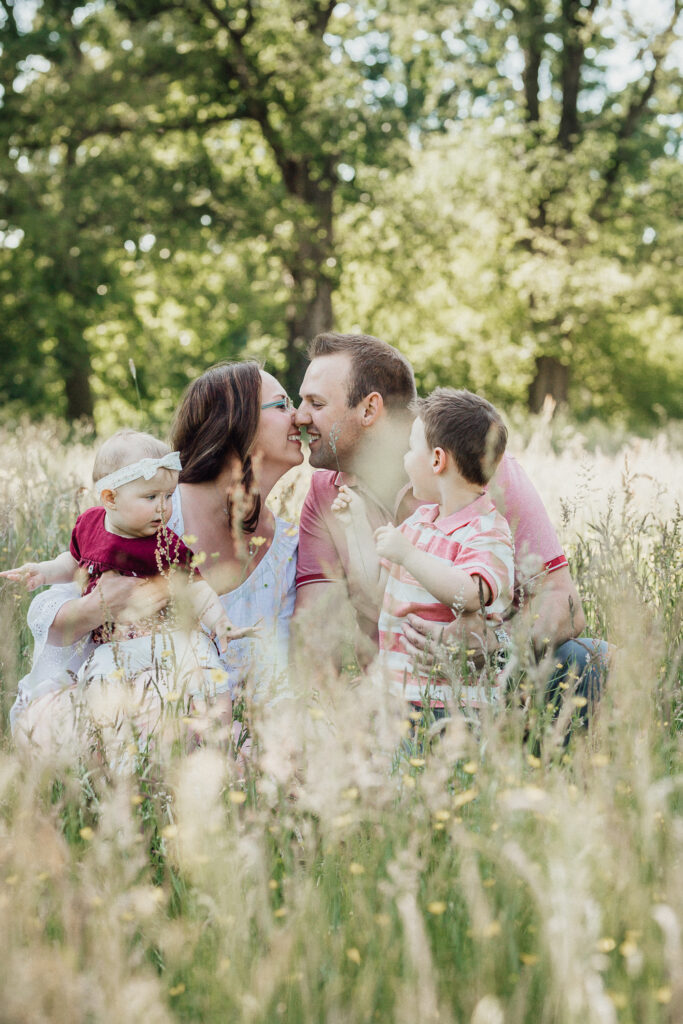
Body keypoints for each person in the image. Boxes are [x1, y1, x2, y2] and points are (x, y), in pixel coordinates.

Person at [294, 332, 608, 711]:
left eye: (315, 403)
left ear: (369, 409)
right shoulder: (327, 495)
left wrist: (496, 644)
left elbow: (563, 600)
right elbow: (315, 629)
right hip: (396, 698)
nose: (299, 416)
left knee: (592, 659)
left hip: (499, 687)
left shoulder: (484, 470)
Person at [9, 362, 303, 750]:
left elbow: (275, 673)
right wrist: (103, 605)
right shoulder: (151, 508)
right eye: (282, 405)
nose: (299, 415)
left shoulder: (283, 549)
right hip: (116, 701)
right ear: (235, 424)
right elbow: (56, 620)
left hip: (216, 721)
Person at [2, 430, 257, 708]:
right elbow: (75, 561)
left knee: (207, 677)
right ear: (110, 498)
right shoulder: (90, 525)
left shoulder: (165, 543)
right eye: (151, 497)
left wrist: (220, 622)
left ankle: (218, 741)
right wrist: (44, 571)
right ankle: (116, 746)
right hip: (114, 646)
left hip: (170, 637)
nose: (164, 507)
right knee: (100, 691)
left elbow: (195, 587)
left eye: (169, 496)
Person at [332, 387, 515, 716]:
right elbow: (374, 589)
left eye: (410, 449)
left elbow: (472, 593)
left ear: (437, 460)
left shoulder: (487, 530)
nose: (404, 458)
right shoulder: (418, 523)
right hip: (398, 697)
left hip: (455, 705)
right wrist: (354, 524)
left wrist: (410, 556)